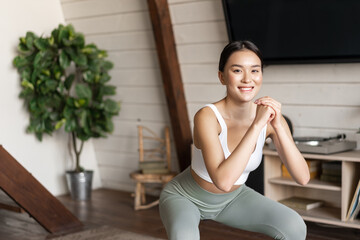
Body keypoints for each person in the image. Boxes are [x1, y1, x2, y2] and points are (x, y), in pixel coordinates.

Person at [159, 40, 310, 240]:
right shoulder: (207, 116)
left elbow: (302, 177)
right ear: (222, 77)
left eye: (255, 71)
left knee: (294, 226)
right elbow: (223, 180)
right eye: (237, 70)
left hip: (233, 199)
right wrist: (256, 126)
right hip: (185, 197)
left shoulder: (270, 119)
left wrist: (279, 126)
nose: (248, 79)